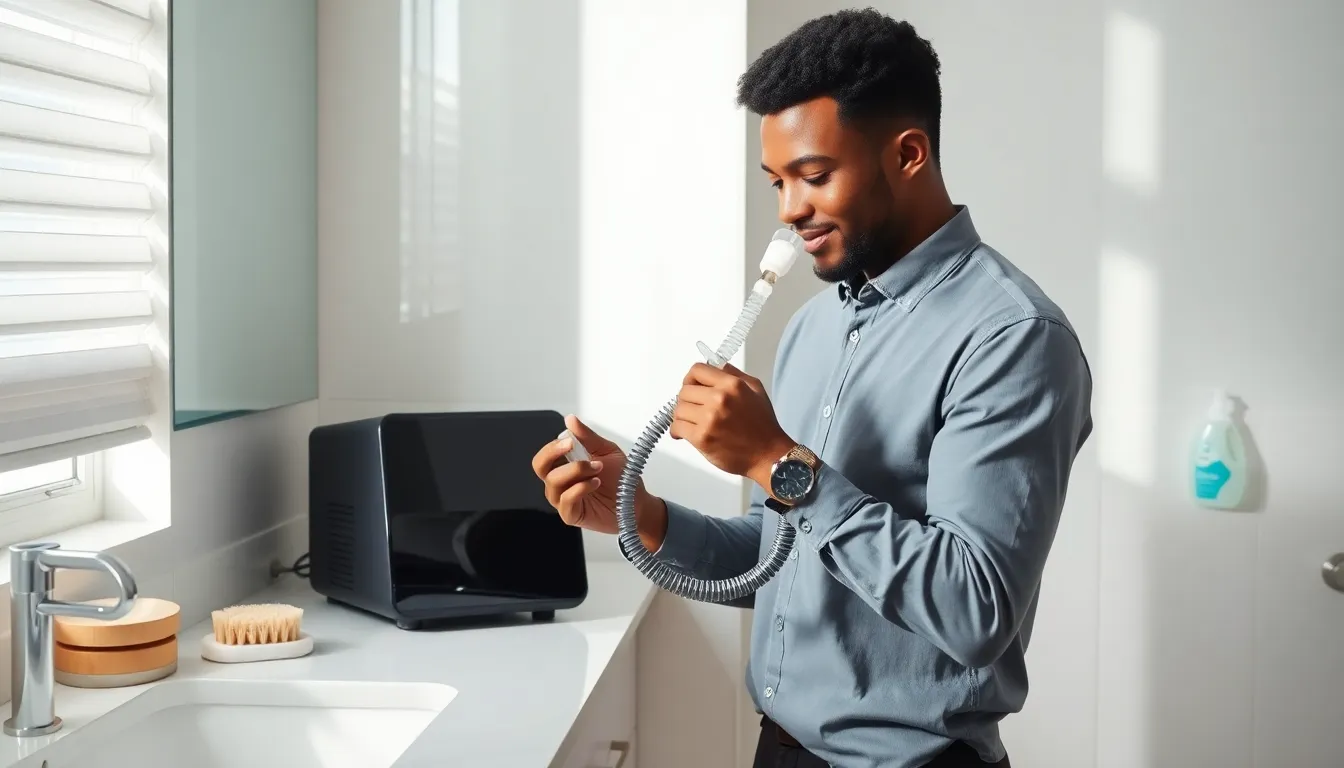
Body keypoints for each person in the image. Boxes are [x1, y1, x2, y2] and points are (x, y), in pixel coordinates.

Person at [531, 9, 1092, 768]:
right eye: (777, 182)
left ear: (908, 154)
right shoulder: (813, 327)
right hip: (781, 749)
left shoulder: (1012, 337)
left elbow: (974, 609)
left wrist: (775, 460)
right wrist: (641, 514)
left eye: (815, 176)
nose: (790, 210)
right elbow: (782, 562)